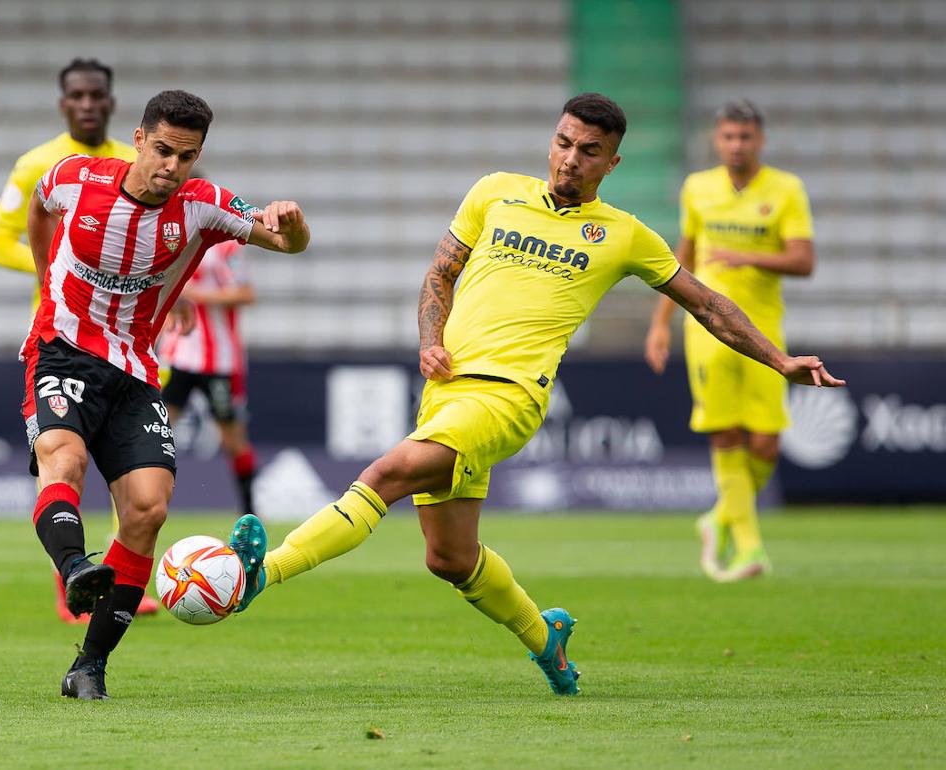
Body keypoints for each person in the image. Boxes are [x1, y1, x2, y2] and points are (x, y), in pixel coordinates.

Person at [227, 93, 843, 696]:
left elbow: (706, 303)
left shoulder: (623, 235)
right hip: (446, 392)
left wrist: (779, 359)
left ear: (612, 164)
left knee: (389, 472)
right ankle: (545, 639)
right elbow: (441, 272)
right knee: (449, 557)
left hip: (510, 398)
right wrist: (429, 340)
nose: (571, 158)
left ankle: (263, 574)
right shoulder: (493, 192)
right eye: (563, 142)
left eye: (590, 151)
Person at [22, 89, 309, 699]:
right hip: (63, 349)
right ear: (138, 138)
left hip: (136, 369)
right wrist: (47, 276)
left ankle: (89, 667)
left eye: (186, 155)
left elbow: (285, 243)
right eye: (162, 150)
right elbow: (40, 205)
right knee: (63, 458)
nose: (171, 166)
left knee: (149, 510)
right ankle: (76, 568)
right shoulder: (75, 177)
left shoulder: (203, 205)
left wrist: (293, 223)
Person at [0, 57, 158, 622]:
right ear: (64, 103)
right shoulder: (38, 163)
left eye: (97, 96)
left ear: (111, 102)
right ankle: (70, 578)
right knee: (66, 457)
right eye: (77, 96)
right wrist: (50, 267)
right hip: (63, 335)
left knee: (127, 466)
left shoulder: (138, 161)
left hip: (130, 333)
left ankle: (110, 573)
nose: (87, 104)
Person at [644, 100, 815, 582]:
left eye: (745, 137)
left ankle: (720, 516)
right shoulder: (698, 188)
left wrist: (747, 256)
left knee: (764, 444)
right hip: (708, 328)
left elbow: (804, 261)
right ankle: (748, 547)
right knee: (725, 432)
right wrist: (660, 323)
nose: (736, 145)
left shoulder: (785, 190)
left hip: (765, 330)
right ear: (716, 140)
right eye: (728, 137)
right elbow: (684, 257)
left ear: (760, 140)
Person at [159, 238, 259, 516]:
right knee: (156, 430)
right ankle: (140, 507)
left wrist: (196, 294)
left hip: (219, 361)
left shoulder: (228, 248)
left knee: (232, 438)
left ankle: (250, 511)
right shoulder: (174, 236)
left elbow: (247, 293)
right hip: (176, 355)